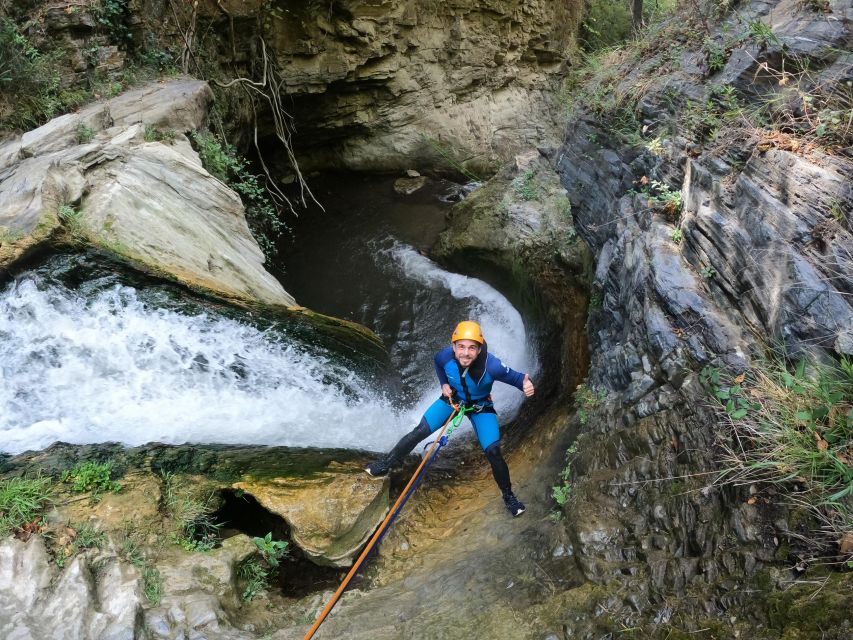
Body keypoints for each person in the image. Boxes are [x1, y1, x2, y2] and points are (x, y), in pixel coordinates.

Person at [365, 320, 535, 517]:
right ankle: (386, 463)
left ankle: (509, 497)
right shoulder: (444, 356)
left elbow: (518, 378)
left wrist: (527, 386)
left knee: (494, 451)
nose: (465, 353)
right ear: (453, 346)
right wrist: (443, 384)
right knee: (419, 431)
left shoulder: (493, 366)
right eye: (461, 347)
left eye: (472, 348)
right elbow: (438, 364)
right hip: (451, 400)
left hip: (480, 407)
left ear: (479, 349)